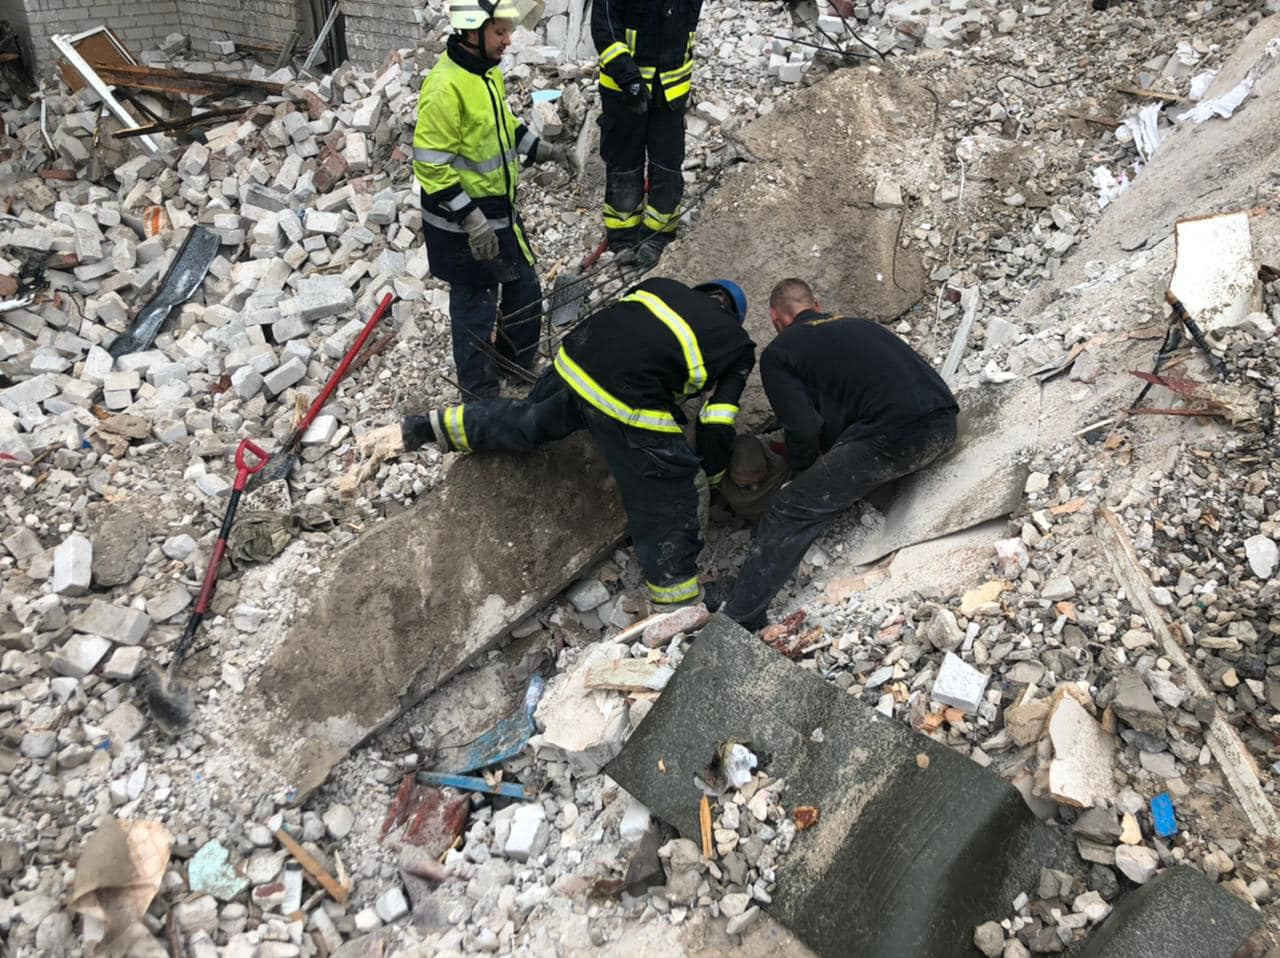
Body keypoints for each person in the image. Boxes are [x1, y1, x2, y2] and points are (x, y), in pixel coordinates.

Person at [370, 278, 754, 609]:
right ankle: (677, 596)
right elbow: (715, 421)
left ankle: (424, 428)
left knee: (526, 420)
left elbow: (626, 338)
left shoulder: (659, 287)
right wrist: (714, 472)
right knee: (669, 493)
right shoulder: (736, 345)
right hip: (626, 398)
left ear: (702, 292)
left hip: (573, 362)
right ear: (733, 316)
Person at [719, 278, 960, 629]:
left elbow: (803, 427)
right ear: (816, 305)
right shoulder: (861, 326)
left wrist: (803, 474)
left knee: (788, 508)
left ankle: (741, 617)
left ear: (776, 318)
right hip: (945, 424)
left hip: (896, 439)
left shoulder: (779, 353)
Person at [413, 0, 578, 399]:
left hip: (497, 211)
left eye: (508, 32)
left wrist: (544, 150)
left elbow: (504, 127)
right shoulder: (445, 87)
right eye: (500, 32)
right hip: (462, 224)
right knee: (476, 308)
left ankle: (515, 366)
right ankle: (480, 396)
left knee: (525, 288)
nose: (508, 41)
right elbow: (430, 166)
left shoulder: (486, 75)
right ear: (472, 32)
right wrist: (472, 221)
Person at [591, 0, 703, 266]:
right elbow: (605, 28)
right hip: (622, 91)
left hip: (671, 89)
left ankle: (658, 236)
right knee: (624, 165)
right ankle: (623, 237)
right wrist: (628, 77)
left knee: (667, 167)